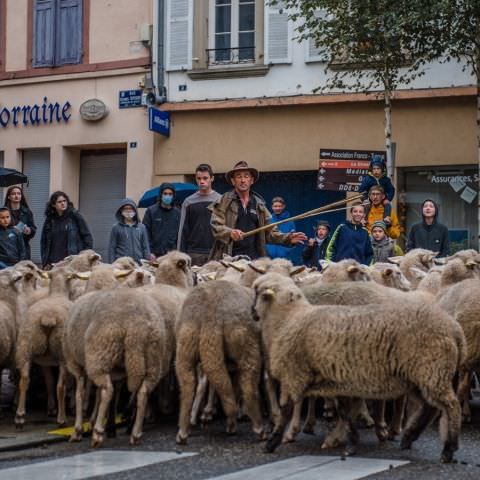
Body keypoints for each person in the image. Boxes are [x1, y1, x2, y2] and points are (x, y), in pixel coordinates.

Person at [209, 161, 307, 260]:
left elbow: (271, 233)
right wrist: (230, 233)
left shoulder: (259, 204)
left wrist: (288, 238)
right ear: (233, 181)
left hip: (254, 259)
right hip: (229, 258)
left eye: (246, 176)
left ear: (251, 180)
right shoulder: (224, 201)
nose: (243, 180)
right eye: (239, 177)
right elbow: (216, 226)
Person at [177, 164, 221, 266]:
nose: (202, 181)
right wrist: (180, 255)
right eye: (199, 178)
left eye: (205, 178)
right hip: (193, 253)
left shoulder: (220, 200)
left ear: (212, 178)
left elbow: (225, 228)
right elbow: (182, 231)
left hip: (215, 252)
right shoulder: (188, 202)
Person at [40, 191, 93, 269]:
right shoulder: (49, 220)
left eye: (64, 201)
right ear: (53, 205)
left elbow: (87, 236)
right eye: (59, 202)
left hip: (71, 261)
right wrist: (45, 261)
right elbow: (44, 242)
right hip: (54, 263)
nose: (63, 203)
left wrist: (84, 257)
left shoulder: (75, 216)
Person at [143, 183, 181, 259]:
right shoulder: (151, 211)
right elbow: (145, 233)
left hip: (172, 255)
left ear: (173, 196)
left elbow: (179, 234)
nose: (168, 196)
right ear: (161, 195)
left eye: (170, 194)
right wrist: (149, 252)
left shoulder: (177, 212)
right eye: (165, 193)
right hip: (154, 255)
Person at [108, 198, 151, 265]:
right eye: (125, 208)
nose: (128, 211)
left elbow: (145, 247)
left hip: (139, 263)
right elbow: (112, 248)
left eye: (131, 208)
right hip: (122, 264)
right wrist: (112, 265)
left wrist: (147, 263)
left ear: (135, 211)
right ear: (121, 211)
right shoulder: (116, 227)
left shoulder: (141, 227)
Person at [359, 155, 395, 223]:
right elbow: (361, 190)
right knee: (366, 205)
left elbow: (391, 190)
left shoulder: (386, 180)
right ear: (371, 169)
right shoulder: (367, 179)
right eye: (374, 169)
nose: (376, 171)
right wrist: (364, 199)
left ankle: (386, 218)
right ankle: (364, 219)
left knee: (388, 205)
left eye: (378, 169)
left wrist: (388, 199)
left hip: (382, 198)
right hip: (370, 198)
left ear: (382, 169)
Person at [3, 186, 37, 259]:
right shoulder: (3, 212)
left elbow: (33, 229)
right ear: (9, 197)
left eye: (19, 193)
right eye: (13, 194)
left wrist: (29, 230)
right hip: (7, 249)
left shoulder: (27, 212)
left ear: (21, 196)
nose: (16, 196)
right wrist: (12, 230)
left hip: (24, 249)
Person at [266, 196, 296, 261]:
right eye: (275, 206)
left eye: (280, 206)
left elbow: (292, 240)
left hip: (284, 258)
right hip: (268, 258)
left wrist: (286, 251)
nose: (277, 208)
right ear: (272, 207)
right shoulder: (268, 220)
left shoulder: (290, 221)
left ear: (283, 206)